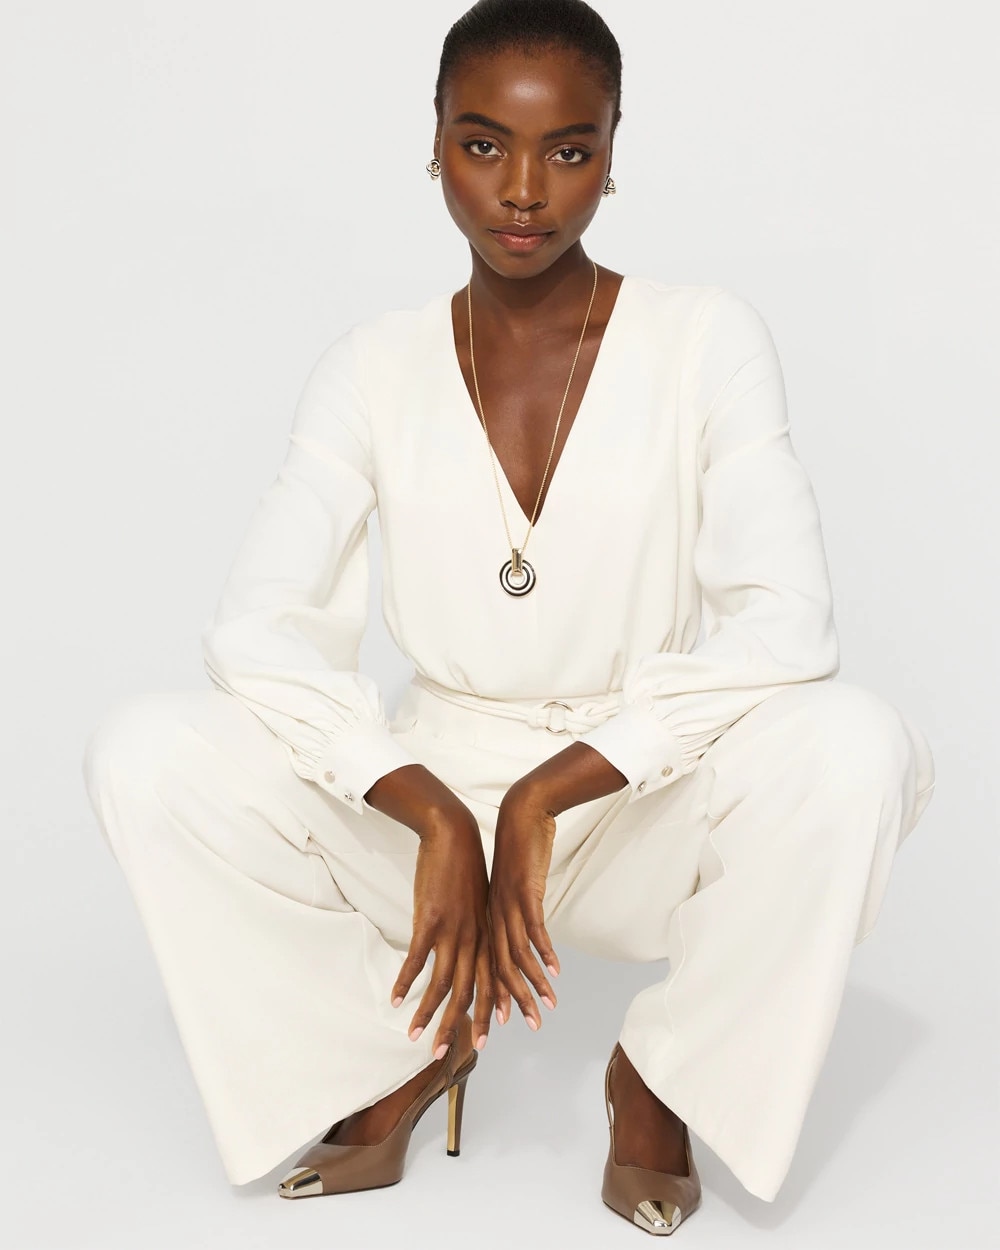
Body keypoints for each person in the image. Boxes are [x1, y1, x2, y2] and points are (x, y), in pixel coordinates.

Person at [81, 0, 937, 1236]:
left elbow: (788, 623)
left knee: (854, 746)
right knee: (147, 751)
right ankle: (395, 1048)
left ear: (612, 149)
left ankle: (663, 1077)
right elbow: (256, 632)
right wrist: (424, 801)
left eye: (567, 150)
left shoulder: (704, 341)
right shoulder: (371, 365)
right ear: (434, 141)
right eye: (482, 144)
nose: (523, 191)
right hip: (430, 796)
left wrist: (550, 790)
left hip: (630, 792)